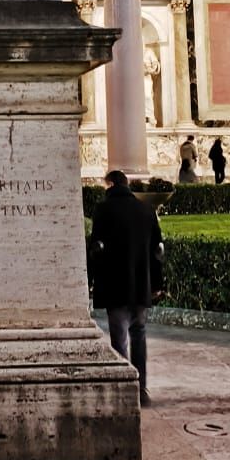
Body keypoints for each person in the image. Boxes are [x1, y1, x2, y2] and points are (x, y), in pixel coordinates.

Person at [89, 170, 164, 406]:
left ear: (109, 184)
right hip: (141, 285)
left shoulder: (103, 210)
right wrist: (158, 284)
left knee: (119, 339)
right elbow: (158, 252)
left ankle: (124, 390)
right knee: (139, 335)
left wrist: (90, 280)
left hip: (114, 285)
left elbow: (96, 248)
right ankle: (141, 389)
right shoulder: (146, 210)